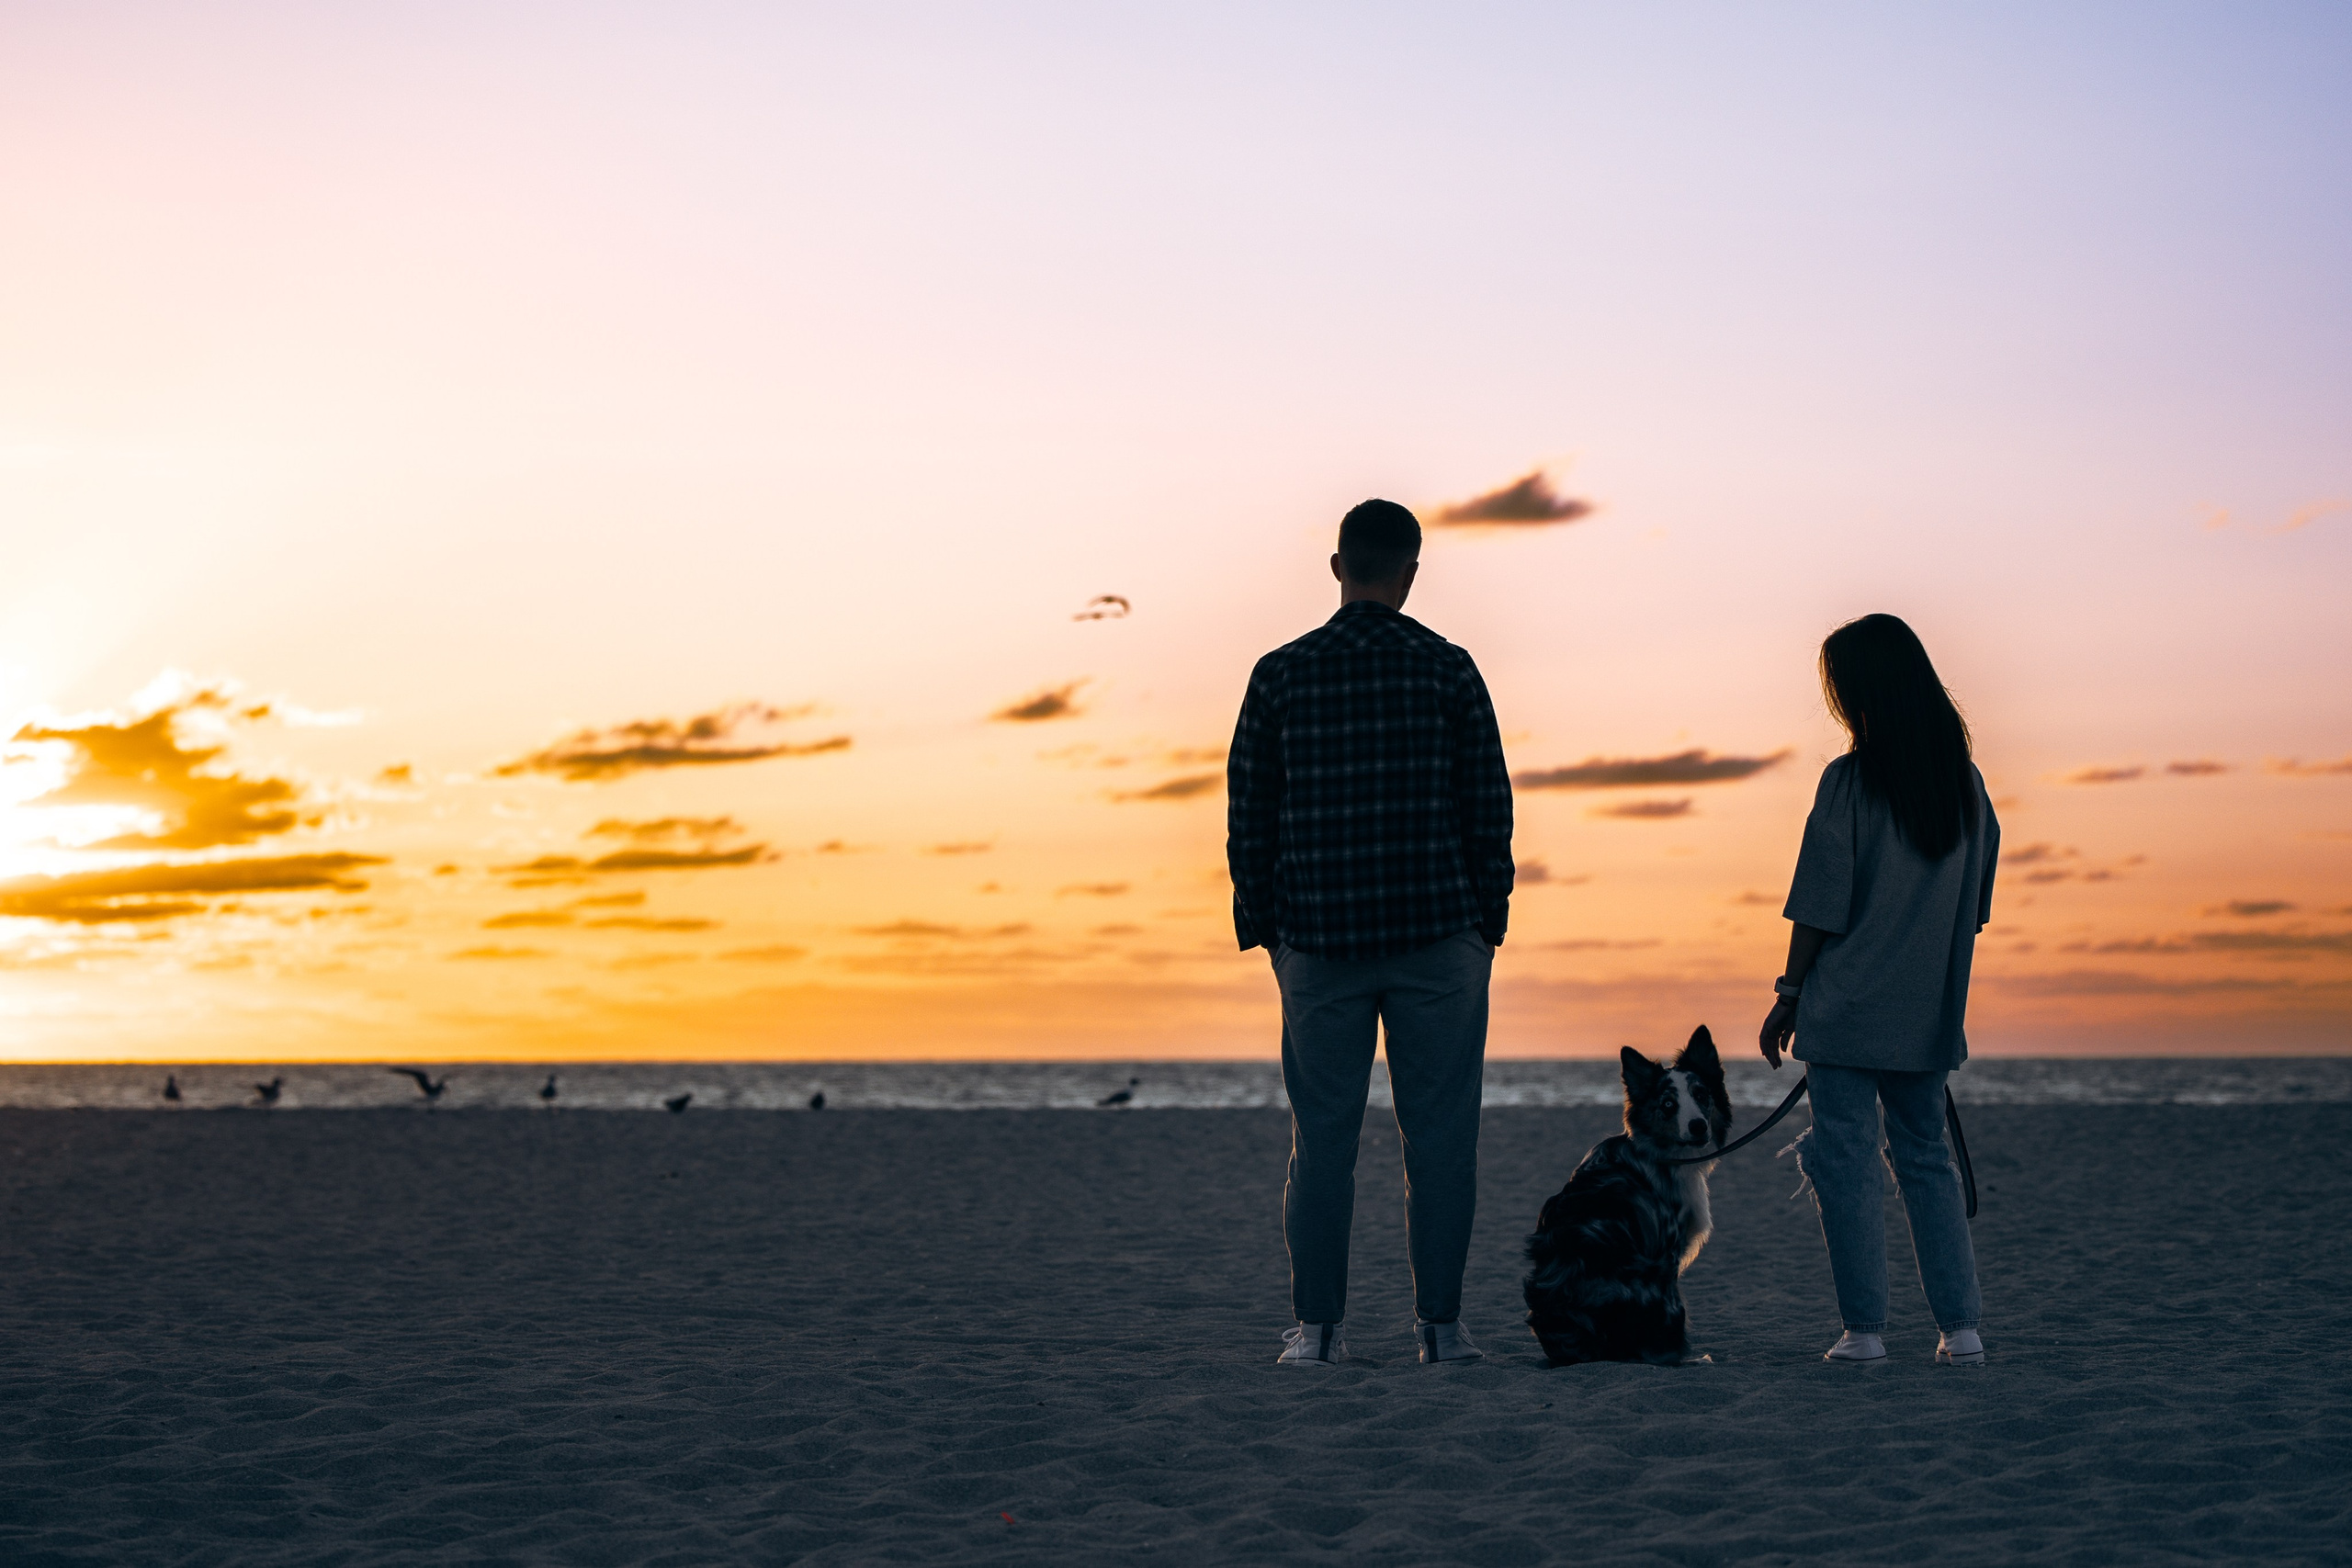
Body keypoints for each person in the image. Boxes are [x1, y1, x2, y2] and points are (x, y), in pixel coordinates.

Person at [1227, 499, 1514, 1368]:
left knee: (1323, 1142)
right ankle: (1441, 1328)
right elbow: (1488, 805)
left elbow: (1250, 814)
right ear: (1411, 572)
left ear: (1337, 567)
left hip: (1319, 938)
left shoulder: (1280, 674)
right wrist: (1486, 919)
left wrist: (1267, 928)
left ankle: (1317, 1331)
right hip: (1437, 936)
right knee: (1441, 1141)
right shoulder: (1447, 668)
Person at [1760, 614, 1996, 1368]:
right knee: (1926, 1158)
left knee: (1847, 1162)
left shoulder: (1849, 782)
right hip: (1927, 1013)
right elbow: (1978, 905)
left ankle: (1864, 1330)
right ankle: (1961, 1330)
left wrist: (1789, 992)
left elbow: (1818, 903)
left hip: (1844, 1006)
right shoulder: (1966, 788)